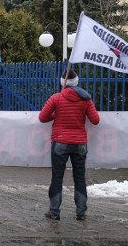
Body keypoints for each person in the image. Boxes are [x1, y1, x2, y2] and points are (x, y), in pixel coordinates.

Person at [39, 69, 100, 221]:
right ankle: (81, 212)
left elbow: (42, 117)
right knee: (79, 177)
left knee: (57, 177)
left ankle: (54, 211)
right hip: (80, 144)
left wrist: (56, 114)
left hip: (60, 142)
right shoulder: (86, 99)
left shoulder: (56, 98)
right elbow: (95, 120)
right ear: (77, 82)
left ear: (63, 82)